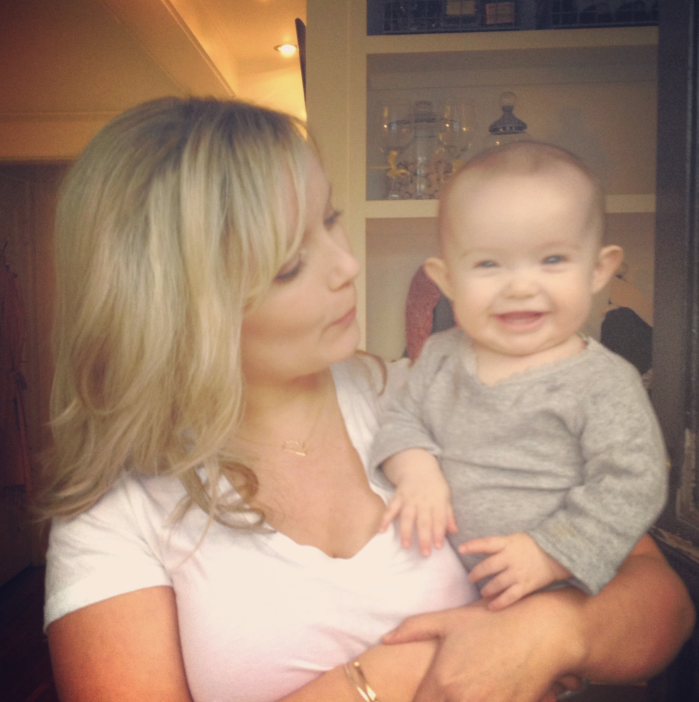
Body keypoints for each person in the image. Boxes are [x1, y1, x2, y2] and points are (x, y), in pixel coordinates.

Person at [37, 98, 693, 702]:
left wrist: (546, 632)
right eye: (290, 264)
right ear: (176, 310)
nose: (345, 266)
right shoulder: (115, 510)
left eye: (330, 219)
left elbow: (658, 600)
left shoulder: (433, 397)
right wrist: (399, 673)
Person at [373, 142, 668, 611]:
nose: (520, 286)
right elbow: (400, 419)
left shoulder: (603, 382)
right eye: (488, 263)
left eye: (552, 260)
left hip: (558, 595)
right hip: (452, 591)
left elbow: (634, 482)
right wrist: (416, 470)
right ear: (447, 280)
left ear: (599, 271)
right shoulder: (440, 356)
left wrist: (552, 553)